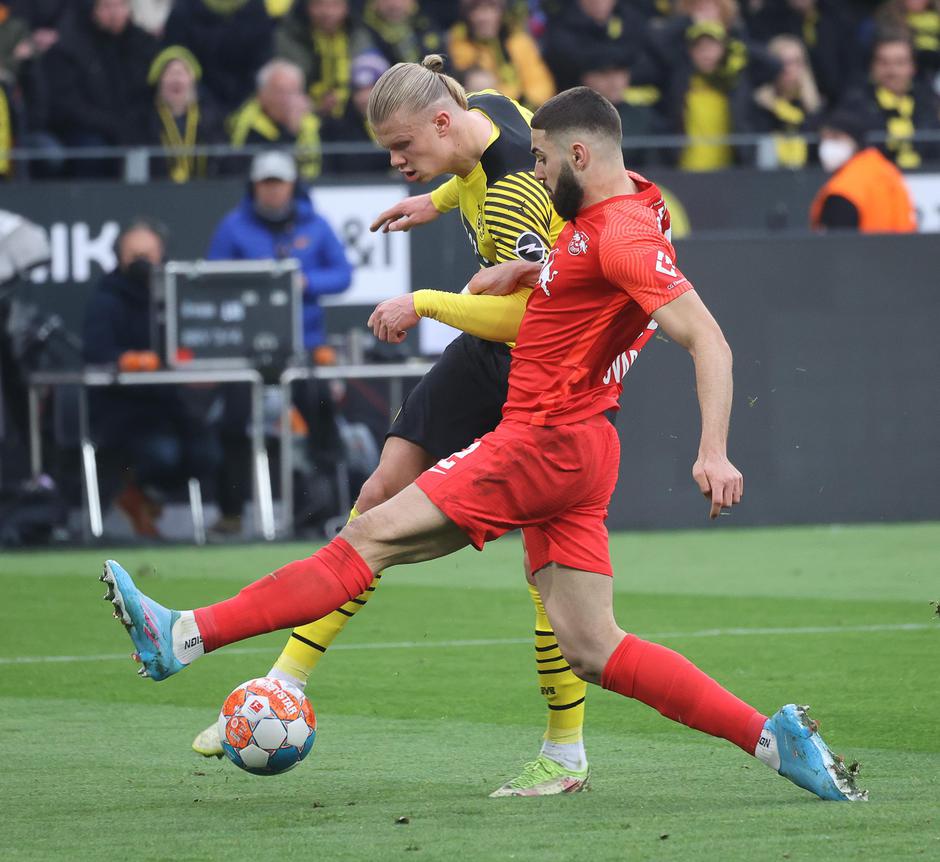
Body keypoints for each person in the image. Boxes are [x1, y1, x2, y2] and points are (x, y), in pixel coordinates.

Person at [102, 85, 868, 805]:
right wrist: (534, 269)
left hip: (538, 442)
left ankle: (183, 636)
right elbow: (595, 269)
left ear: (578, 156)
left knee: (366, 538)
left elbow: (708, 339)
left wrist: (713, 450)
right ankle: (772, 741)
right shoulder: (630, 204)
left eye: (541, 159)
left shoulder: (621, 235)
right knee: (593, 647)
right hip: (584, 450)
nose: (532, 173)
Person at [191, 55, 612, 799]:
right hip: (486, 354)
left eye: (402, 146)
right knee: (378, 494)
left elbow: (527, 316)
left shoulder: (518, 195)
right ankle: (283, 681)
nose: (395, 161)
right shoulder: (486, 106)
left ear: (442, 121)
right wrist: (437, 199)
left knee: (544, 574)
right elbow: (476, 163)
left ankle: (564, 749)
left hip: (540, 369)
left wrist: (425, 302)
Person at [205, 149, 352, 536]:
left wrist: (304, 282)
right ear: (254, 186)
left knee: (321, 411)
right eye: (265, 183)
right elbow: (212, 279)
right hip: (247, 349)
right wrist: (252, 283)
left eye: (279, 183)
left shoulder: (315, 224)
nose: (272, 191)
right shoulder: (233, 226)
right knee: (233, 419)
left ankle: (327, 509)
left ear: (292, 186)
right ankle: (231, 511)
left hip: (303, 346)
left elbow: (342, 274)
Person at [82, 220, 219, 538]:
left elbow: (197, 341)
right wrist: (127, 360)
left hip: (171, 405)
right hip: (124, 408)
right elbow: (96, 351)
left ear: (162, 254)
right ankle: (134, 494)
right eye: (134, 254)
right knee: (162, 454)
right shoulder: (106, 298)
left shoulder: (175, 293)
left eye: (148, 253)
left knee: (206, 453)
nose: (141, 261)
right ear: (119, 256)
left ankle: (144, 497)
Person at [40, 0, 157, 176]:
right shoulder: (71, 46)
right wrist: (113, 125)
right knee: (93, 148)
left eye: (120, 5)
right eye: (107, 6)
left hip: (134, 124)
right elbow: (68, 105)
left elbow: (149, 93)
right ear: (93, 10)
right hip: (89, 130)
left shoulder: (144, 44)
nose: (114, 13)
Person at [838, 31, 940, 169]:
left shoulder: (931, 102)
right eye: (884, 63)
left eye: (900, 63)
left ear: (913, 67)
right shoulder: (854, 104)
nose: (892, 71)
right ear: (872, 67)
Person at [809, 109, 917, 232]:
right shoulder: (888, 171)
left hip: (865, 243)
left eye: (835, 137)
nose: (827, 146)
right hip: (898, 244)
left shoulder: (845, 188)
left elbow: (836, 241)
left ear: (855, 142)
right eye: (823, 138)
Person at [163, 0, 275, 112]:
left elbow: (261, 65)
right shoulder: (186, 7)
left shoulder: (256, 10)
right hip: (190, 100)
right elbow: (174, 53)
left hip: (240, 103)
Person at [137, 46, 226, 182]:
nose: (176, 79)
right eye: (170, 73)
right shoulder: (143, 121)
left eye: (182, 73)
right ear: (160, 81)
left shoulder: (211, 119)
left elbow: (223, 161)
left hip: (203, 189)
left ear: (192, 81)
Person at [447, 0, 555, 109]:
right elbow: (472, 85)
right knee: (479, 80)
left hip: (523, 107)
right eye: (476, 10)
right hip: (483, 111)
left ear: (502, 13)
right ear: (467, 16)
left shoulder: (519, 42)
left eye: (491, 9)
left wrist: (525, 103)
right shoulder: (459, 42)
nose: (484, 17)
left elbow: (541, 85)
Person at [228, 59, 323, 180]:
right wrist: (291, 132)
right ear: (262, 95)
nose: (289, 100)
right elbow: (268, 171)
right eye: (281, 92)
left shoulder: (316, 124)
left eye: (295, 92)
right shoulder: (247, 125)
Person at [273, 0, 359, 121]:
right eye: (319, 4)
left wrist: (342, 98)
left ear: (347, 7)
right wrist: (314, 104)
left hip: (350, 111)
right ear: (307, 6)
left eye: (335, 5)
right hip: (303, 112)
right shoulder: (290, 36)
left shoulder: (358, 34)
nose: (327, 12)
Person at [750, 34, 823, 169]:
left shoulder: (815, 108)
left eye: (797, 62)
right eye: (784, 63)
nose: (790, 69)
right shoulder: (758, 106)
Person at [320, 50, 393, 175]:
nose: (364, 97)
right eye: (359, 90)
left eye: (372, 88)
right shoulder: (337, 127)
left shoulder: (405, 121)